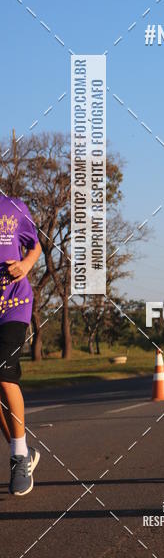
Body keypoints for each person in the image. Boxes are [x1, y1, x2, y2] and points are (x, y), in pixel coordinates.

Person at [0, 196, 42, 495]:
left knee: (3, 370)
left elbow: (35, 244)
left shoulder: (13, 207)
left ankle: (17, 457)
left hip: (14, 303)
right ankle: (23, 450)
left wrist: (26, 263)